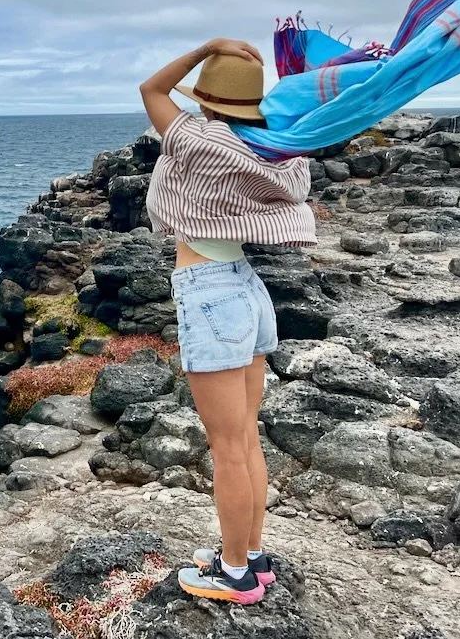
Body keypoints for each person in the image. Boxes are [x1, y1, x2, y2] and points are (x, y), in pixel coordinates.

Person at [139, 38, 316, 605]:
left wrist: (205, 49)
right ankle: (251, 554)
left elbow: (151, 89)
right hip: (246, 287)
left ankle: (234, 572)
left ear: (209, 100)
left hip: (209, 292)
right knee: (245, 438)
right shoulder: (272, 152)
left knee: (227, 448)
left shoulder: (194, 139)